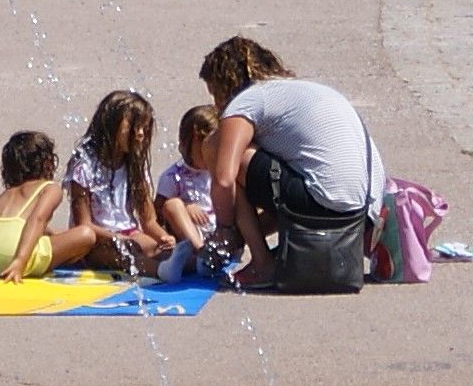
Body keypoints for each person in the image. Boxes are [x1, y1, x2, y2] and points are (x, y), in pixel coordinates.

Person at [198, 36, 385, 288]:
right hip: (364, 214)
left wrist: (225, 229)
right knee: (295, 172)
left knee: (216, 145)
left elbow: (224, 179)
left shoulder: (248, 100)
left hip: (321, 205)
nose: (216, 105)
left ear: (225, 84)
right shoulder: (300, 92)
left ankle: (263, 265)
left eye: (214, 94)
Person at [0, 130, 96, 283]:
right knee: (86, 235)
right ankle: (49, 260)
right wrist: (20, 261)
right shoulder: (49, 188)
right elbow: (37, 219)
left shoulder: (9, 192)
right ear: (48, 163)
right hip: (9, 258)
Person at [66, 89, 174, 275]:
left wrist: (164, 237)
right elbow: (83, 225)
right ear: (111, 124)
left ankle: (173, 264)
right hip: (95, 241)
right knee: (125, 256)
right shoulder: (84, 166)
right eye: (134, 126)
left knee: (161, 251)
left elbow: (148, 220)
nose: (140, 134)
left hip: (130, 234)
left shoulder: (134, 165)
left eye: (144, 128)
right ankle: (161, 271)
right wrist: (117, 238)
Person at [154, 103, 219, 279]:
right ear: (189, 142)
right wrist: (186, 207)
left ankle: (209, 257)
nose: (211, 154)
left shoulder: (219, 170)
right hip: (191, 239)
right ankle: (201, 255)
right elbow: (158, 212)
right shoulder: (173, 176)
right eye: (205, 149)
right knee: (173, 204)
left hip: (218, 234)